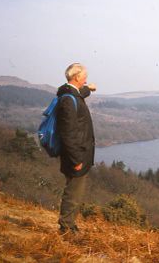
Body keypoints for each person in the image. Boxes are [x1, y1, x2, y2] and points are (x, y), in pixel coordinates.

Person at [56, 63, 96, 233]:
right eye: (84, 76)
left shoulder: (70, 93)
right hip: (76, 157)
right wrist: (76, 159)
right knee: (73, 193)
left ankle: (69, 224)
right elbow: (68, 134)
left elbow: (79, 93)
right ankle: (66, 228)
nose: (86, 78)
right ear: (77, 77)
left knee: (75, 192)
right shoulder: (68, 100)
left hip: (78, 154)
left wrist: (89, 89)